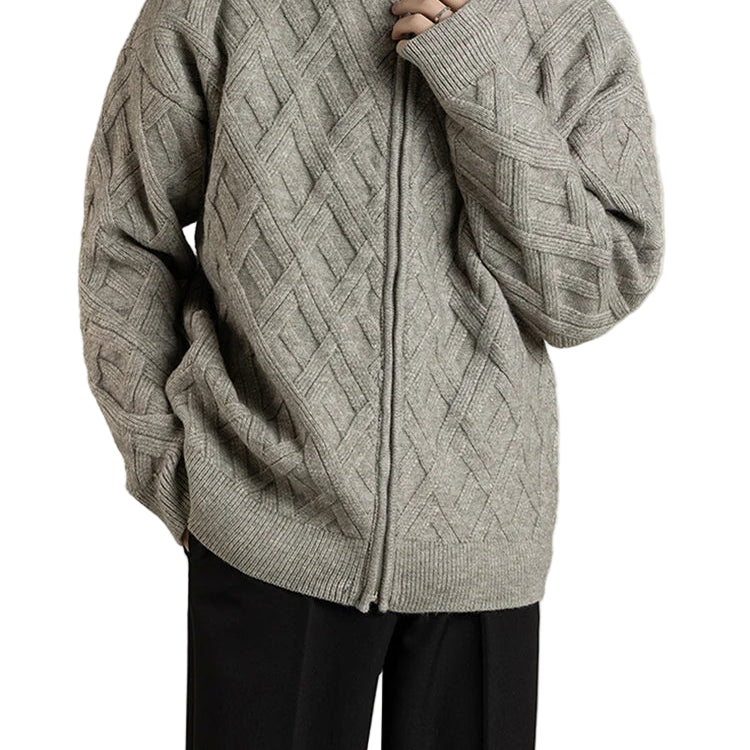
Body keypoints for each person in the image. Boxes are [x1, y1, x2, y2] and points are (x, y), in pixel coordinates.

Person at [77, 0, 664, 747]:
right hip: (265, 531)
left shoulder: (566, 21)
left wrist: (477, 78)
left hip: (481, 551)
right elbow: (125, 235)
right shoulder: (215, 9)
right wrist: (179, 473)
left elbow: (592, 294)